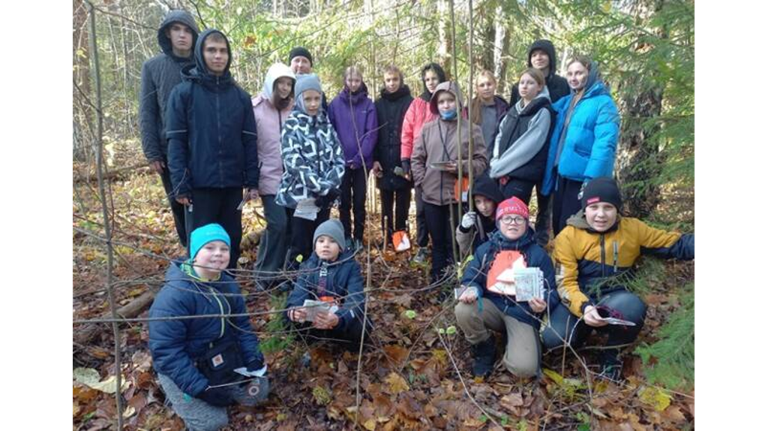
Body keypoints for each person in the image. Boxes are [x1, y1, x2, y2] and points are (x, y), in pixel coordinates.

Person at [541, 178, 696, 380]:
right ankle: (581, 335)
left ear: (617, 209)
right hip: (579, 301)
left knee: (633, 306)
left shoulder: (633, 229)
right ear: (585, 209)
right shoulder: (568, 237)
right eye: (594, 207)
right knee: (553, 337)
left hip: (614, 300)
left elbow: (674, 243)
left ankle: (612, 352)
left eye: (608, 207)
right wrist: (585, 308)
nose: (601, 214)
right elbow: (565, 283)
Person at [149, 224, 269, 431]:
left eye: (224, 249)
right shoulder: (175, 295)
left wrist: (252, 357)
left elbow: (242, 326)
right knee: (212, 423)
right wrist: (201, 389)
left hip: (220, 357)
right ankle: (176, 395)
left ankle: (218, 387)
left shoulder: (227, 283)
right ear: (195, 253)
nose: (218, 254)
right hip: (186, 364)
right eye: (209, 248)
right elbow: (166, 352)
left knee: (258, 393)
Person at [166, 29, 259, 268]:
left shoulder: (240, 96)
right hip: (198, 185)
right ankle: (200, 295)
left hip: (231, 185)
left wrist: (252, 180)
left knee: (231, 240)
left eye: (223, 51)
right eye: (211, 50)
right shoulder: (183, 93)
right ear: (200, 53)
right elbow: (175, 142)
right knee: (201, 244)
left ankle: (228, 293)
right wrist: (180, 183)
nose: (218, 56)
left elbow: (249, 140)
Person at [139, 10, 199, 247]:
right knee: (178, 202)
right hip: (169, 149)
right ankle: (190, 252)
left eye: (187, 30)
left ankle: (209, 253)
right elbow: (147, 110)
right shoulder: (153, 66)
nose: (182, 35)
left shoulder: (204, 63)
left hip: (201, 147)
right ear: (167, 33)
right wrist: (152, 151)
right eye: (176, 30)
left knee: (203, 202)